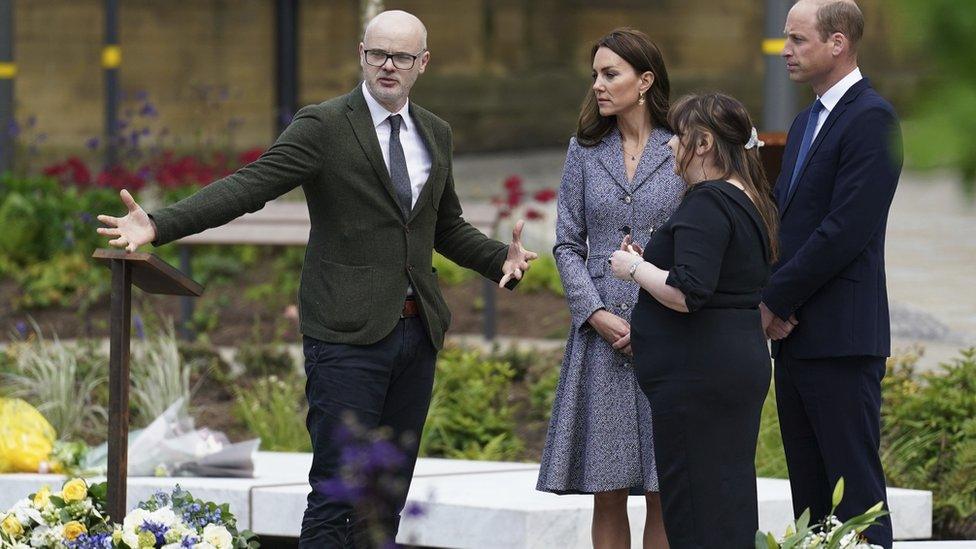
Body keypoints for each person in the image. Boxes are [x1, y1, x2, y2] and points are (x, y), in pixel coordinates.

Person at [95, 10, 538, 548]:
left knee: (387, 495)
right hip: (345, 336)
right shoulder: (325, 125)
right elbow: (251, 183)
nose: (388, 66)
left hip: (416, 334)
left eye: (401, 56)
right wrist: (160, 224)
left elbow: (442, 227)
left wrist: (499, 261)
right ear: (361, 54)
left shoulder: (435, 133)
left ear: (423, 63)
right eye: (378, 54)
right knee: (336, 493)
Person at [610, 93, 778, 547]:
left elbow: (689, 293)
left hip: (699, 379)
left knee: (697, 507)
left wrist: (634, 270)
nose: (669, 146)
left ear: (702, 143)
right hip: (730, 365)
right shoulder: (749, 197)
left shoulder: (708, 201)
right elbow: (718, 278)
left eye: (679, 137)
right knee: (725, 497)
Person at [537, 28, 683, 549]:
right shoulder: (584, 149)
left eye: (610, 74)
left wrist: (659, 310)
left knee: (664, 485)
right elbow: (567, 243)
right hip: (600, 337)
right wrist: (594, 312)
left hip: (666, 329)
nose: (597, 85)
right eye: (595, 74)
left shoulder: (683, 147)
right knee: (608, 487)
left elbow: (696, 240)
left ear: (645, 81)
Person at [761, 1, 901, 545]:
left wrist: (774, 301)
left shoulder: (872, 119)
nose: (786, 50)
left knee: (859, 506)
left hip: (842, 339)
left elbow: (845, 230)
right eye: (785, 39)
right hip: (795, 342)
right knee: (812, 508)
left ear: (837, 42)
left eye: (797, 40)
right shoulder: (803, 123)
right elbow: (784, 222)